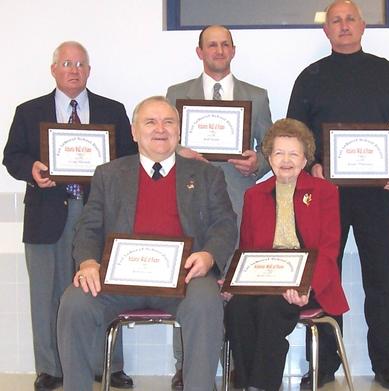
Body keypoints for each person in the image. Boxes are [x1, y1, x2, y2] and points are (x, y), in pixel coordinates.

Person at [56, 96, 238, 391]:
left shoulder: (207, 174)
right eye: (150, 122)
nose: (160, 129)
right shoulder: (109, 174)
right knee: (74, 301)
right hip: (119, 281)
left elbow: (225, 224)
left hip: (185, 278)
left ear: (179, 130)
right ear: (134, 131)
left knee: (206, 301)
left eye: (169, 122)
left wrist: (209, 255)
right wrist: (88, 262)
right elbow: (88, 227)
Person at [287, 1, 389, 389]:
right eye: (336, 21)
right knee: (324, 277)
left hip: (377, 195)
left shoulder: (388, 73)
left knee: (381, 280)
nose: (344, 26)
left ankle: (387, 365)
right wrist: (312, 164)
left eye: (350, 19)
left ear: (363, 27)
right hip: (325, 196)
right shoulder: (310, 77)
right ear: (325, 30)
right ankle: (324, 363)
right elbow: (295, 132)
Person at [2, 41, 137, 391]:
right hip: (47, 213)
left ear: (89, 70)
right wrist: (31, 168)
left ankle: (106, 364)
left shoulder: (113, 109)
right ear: (54, 70)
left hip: (100, 213)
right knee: (48, 294)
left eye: (80, 64)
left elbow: (129, 158)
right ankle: (50, 368)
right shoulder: (29, 111)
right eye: (66, 63)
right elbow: (12, 156)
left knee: (104, 288)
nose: (73, 69)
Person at [166, 24, 273, 389]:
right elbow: (164, 145)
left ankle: (234, 367)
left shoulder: (256, 96)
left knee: (233, 287)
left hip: (238, 202)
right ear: (200, 52)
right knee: (190, 285)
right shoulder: (176, 93)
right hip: (189, 204)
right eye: (211, 45)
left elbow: (272, 149)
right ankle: (187, 368)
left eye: (224, 44)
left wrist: (257, 163)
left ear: (233, 50)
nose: (218, 50)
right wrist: (180, 152)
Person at [224, 118, 349, 391]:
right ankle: (248, 384)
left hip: (309, 280)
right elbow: (246, 248)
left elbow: (329, 249)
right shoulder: (254, 195)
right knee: (237, 309)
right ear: (269, 157)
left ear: (305, 159)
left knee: (271, 308)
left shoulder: (325, 192)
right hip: (265, 278)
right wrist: (235, 283)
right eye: (279, 153)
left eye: (294, 153)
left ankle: (261, 386)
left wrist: (308, 287)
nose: (286, 160)